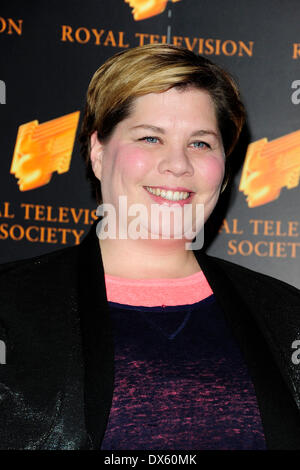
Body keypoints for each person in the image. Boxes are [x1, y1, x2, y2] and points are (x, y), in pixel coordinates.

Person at [0, 44, 300, 451]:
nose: (177, 164)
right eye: (150, 137)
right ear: (98, 152)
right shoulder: (10, 306)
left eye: (200, 143)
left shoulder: (286, 316)